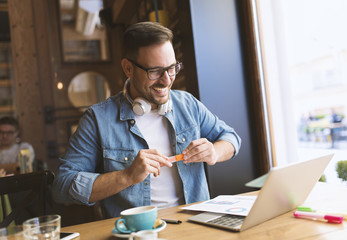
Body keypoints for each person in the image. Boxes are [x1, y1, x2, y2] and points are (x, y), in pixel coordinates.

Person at [52, 21, 241, 218]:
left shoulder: (187, 104)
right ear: (128, 68)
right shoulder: (97, 119)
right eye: (155, 71)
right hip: (136, 232)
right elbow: (62, 186)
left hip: (195, 224)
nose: (167, 80)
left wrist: (214, 152)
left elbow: (231, 138)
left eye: (172, 68)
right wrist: (126, 177)